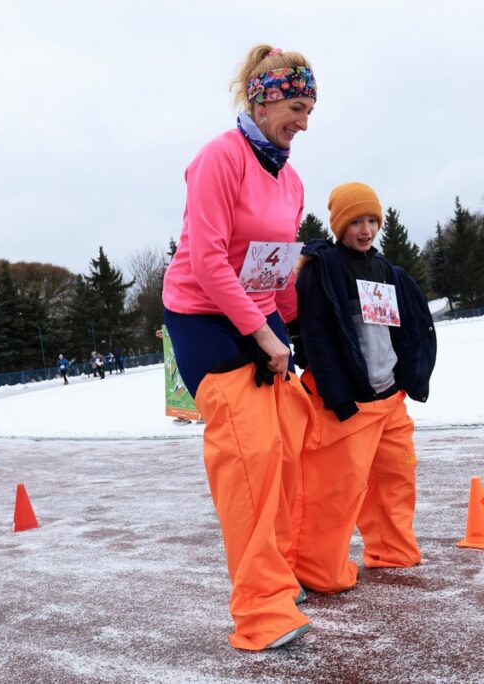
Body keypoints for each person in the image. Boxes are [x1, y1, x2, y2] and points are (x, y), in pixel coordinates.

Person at [161, 43, 317, 651]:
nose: (304, 123)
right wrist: (260, 334)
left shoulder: (292, 178)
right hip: (201, 313)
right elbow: (206, 260)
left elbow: (273, 268)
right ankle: (259, 610)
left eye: (310, 110)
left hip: (255, 312)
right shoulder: (217, 159)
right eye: (297, 107)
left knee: (283, 445)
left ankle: (274, 573)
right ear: (265, 96)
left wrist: (294, 330)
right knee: (250, 453)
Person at [290, 182, 437, 595]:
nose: (366, 229)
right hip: (346, 402)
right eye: (356, 221)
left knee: (396, 477)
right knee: (336, 490)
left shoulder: (386, 270)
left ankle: (392, 549)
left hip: (389, 398)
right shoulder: (323, 268)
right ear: (339, 225)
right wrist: (337, 397)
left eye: (372, 220)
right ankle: (319, 569)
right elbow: (315, 335)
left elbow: (402, 330)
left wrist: (410, 378)